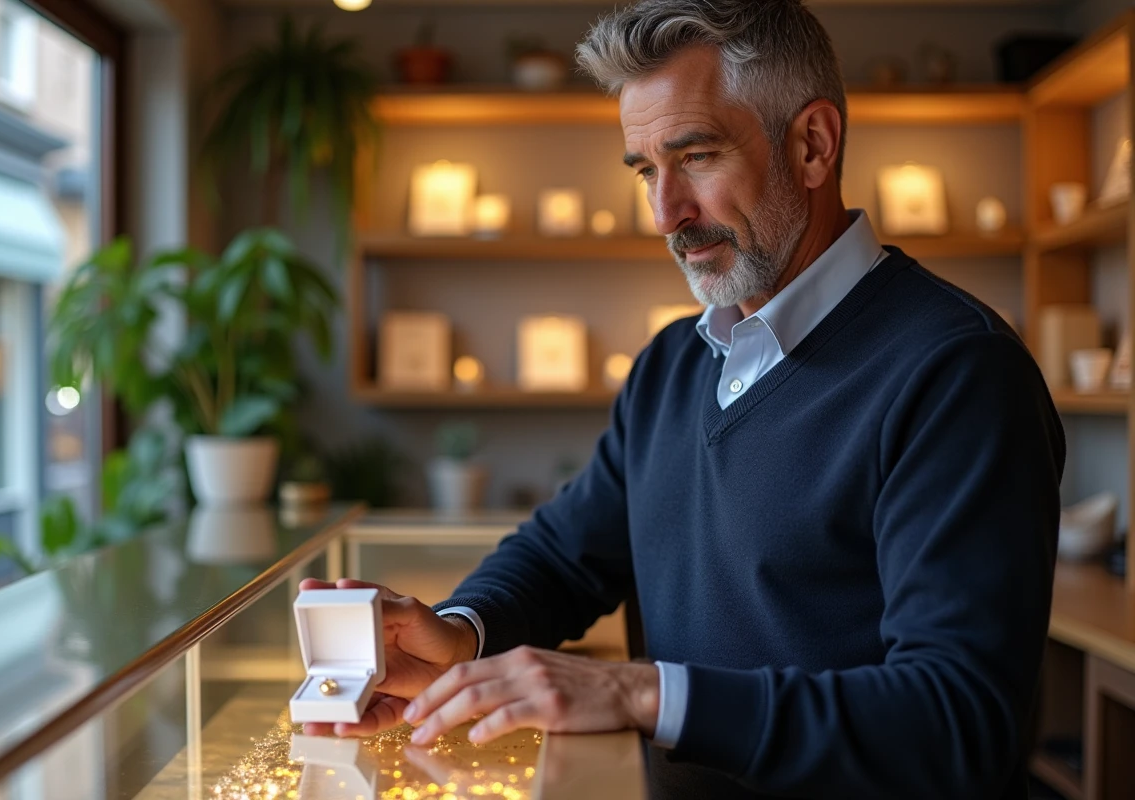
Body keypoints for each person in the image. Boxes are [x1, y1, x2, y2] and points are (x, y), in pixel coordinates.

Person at [302, 1, 1065, 796]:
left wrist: (638, 691)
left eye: (696, 157)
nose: (666, 212)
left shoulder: (958, 372)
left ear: (812, 145)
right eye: (644, 170)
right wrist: (459, 633)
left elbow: (958, 718)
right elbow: (565, 556)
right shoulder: (672, 362)